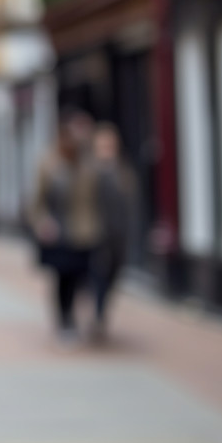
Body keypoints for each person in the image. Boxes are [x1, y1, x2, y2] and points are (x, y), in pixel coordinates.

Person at [28, 108, 101, 343]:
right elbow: (36, 201)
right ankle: (65, 320)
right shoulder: (49, 163)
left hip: (86, 232)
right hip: (59, 232)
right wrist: (42, 222)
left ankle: (83, 319)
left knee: (83, 278)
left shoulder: (90, 162)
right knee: (63, 279)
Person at [90, 122, 137, 340]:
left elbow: (129, 203)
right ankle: (98, 317)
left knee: (112, 277)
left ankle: (101, 313)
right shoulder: (91, 171)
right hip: (97, 235)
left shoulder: (123, 171)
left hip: (118, 235)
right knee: (98, 276)